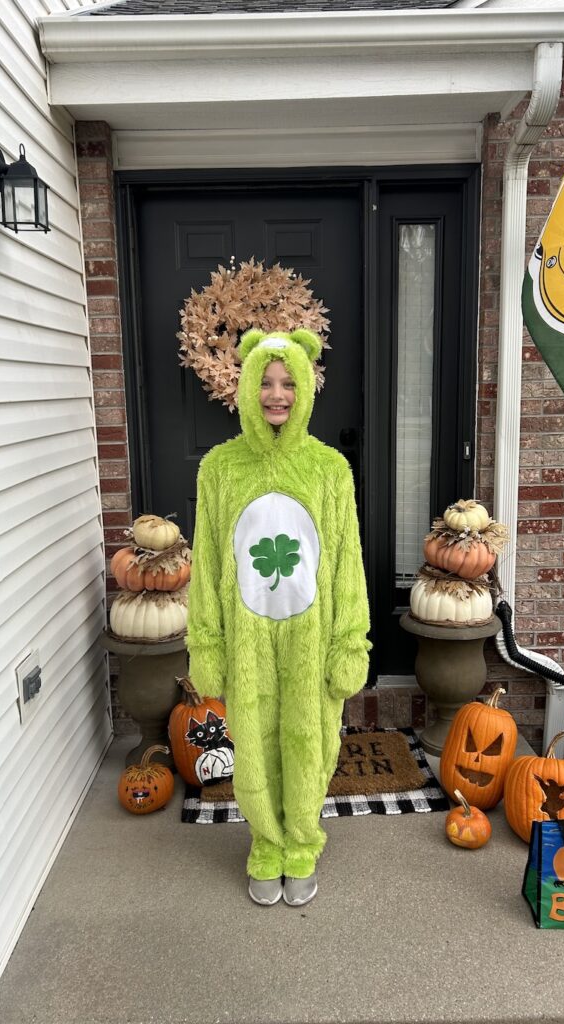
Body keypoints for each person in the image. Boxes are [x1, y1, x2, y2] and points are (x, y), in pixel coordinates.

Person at [186, 327, 372, 907]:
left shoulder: (328, 470)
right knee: (256, 740)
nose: (276, 394)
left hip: (310, 637)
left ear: (307, 387)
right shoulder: (219, 470)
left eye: (288, 382)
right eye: (264, 382)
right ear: (244, 387)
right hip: (246, 635)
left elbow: (346, 562)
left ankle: (302, 840)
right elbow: (210, 560)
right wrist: (208, 644)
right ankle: (265, 841)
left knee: (310, 736)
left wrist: (349, 641)